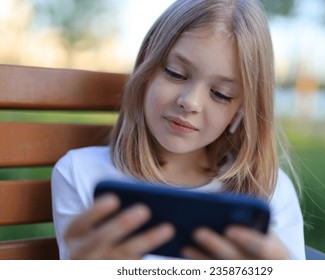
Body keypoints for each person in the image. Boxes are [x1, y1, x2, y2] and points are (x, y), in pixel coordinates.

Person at [51, 0, 305, 260]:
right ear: (145, 71)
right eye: (175, 73)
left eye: (221, 94)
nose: (190, 102)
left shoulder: (271, 192)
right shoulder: (79, 173)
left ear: (241, 112)